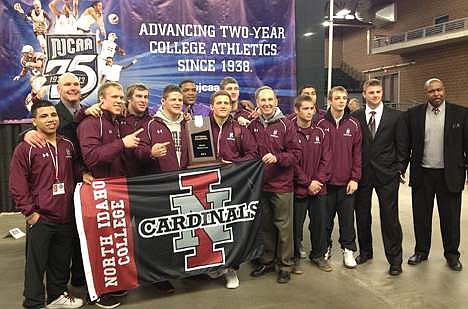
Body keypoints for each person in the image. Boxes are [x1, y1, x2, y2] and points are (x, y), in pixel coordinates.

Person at [9, 100, 85, 309]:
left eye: (53, 115)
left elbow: (74, 170)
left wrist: (84, 174)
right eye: (44, 116)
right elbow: (17, 183)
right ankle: (33, 302)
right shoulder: (26, 148)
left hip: (66, 214)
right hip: (41, 216)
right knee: (36, 264)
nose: (51, 119)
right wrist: (30, 212)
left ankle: (57, 296)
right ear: (34, 121)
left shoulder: (67, 145)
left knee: (60, 261)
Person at [77, 82, 143, 308]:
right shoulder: (90, 123)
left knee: (115, 243)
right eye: (114, 96)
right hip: (97, 194)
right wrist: (122, 144)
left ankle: (113, 284)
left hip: (116, 191)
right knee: (99, 245)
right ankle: (96, 292)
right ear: (101, 100)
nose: (119, 100)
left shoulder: (114, 122)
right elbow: (92, 158)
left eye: (121, 97)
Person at [403, 78, 467, 271]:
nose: (436, 94)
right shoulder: (413, 115)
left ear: (444, 91)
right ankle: (421, 251)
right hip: (422, 174)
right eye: (432, 91)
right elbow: (406, 145)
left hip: (450, 175)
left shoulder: (461, 114)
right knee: (421, 217)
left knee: (451, 218)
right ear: (426, 93)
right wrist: (400, 169)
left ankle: (452, 255)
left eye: (439, 90)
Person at [206, 90, 258, 288]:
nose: (222, 106)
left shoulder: (238, 128)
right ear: (212, 106)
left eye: (226, 103)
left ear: (230, 106)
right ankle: (213, 264)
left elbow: (253, 154)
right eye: (218, 102)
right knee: (211, 227)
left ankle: (232, 270)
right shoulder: (198, 126)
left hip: (233, 187)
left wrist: (234, 164)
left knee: (231, 228)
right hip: (207, 186)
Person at [352, 79, 405, 276]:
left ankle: (395, 259)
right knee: (362, 215)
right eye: (371, 92)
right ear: (364, 94)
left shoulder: (396, 117)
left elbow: (402, 145)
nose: (375, 95)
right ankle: (365, 252)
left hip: (387, 174)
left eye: (378, 92)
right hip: (363, 174)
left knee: (390, 218)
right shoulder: (356, 117)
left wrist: (399, 168)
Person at [249, 86, 301, 284]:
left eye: (270, 100)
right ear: (258, 103)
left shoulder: (286, 125)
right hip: (261, 186)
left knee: (284, 228)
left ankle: (285, 265)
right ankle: (267, 260)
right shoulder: (253, 125)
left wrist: (277, 158)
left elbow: (296, 154)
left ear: (276, 102)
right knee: (265, 227)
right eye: (263, 100)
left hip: (281, 186)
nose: (267, 103)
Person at [318, 86, 362, 270]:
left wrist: (355, 178)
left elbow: (358, 154)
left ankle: (348, 250)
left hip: (346, 183)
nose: (342, 101)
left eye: (344, 98)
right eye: (337, 98)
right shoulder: (320, 124)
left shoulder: (353, 125)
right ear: (330, 100)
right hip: (326, 183)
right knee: (325, 220)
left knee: (347, 220)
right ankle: (325, 247)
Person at [292, 95, 332, 274]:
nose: (309, 112)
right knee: (295, 226)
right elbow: (291, 163)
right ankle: (293, 258)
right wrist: (307, 182)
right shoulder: (290, 132)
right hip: (298, 188)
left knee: (319, 223)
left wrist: (317, 181)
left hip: (318, 188)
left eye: (312, 109)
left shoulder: (320, 132)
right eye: (305, 108)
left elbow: (327, 160)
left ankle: (318, 255)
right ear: (296, 110)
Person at [135, 85, 189, 173]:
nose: (177, 103)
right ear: (163, 101)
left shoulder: (187, 123)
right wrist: (150, 152)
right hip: (162, 181)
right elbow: (138, 152)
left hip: (185, 180)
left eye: (180, 100)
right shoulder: (150, 125)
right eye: (173, 99)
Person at [13, 45, 47, 111]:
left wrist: (30, 64)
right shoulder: (24, 60)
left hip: (45, 74)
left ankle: (33, 97)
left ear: (31, 52)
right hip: (36, 77)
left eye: (26, 53)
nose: (25, 55)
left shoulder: (38, 56)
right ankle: (33, 99)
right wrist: (20, 76)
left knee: (42, 93)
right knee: (40, 93)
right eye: (24, 53)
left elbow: (39, 65)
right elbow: (25, 69)